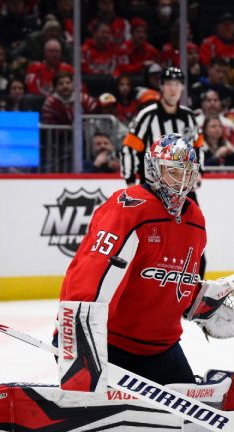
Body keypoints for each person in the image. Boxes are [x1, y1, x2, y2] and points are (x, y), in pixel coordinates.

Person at [56, 133, 206, 384]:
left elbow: (182, 280)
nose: (181, 182)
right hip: (106, 342)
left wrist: (202, 303)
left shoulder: (196, 220)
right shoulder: (128, 208)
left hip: (160, 347)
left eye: (187, 173)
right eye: (173, 172)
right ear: (154, 170)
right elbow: (91, 273)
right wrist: (78, 335)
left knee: (184, 422)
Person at [121, 67, 201, 184]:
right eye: (169, 84)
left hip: (183, 188)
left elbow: (198, 146)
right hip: (152, 186)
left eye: (177, 84)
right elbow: (129, 148)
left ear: (182, 87)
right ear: (161, 86)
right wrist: (130, 180)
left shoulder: (189, 116)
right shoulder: (147, 115)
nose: (173, 89)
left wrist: (199, 172)